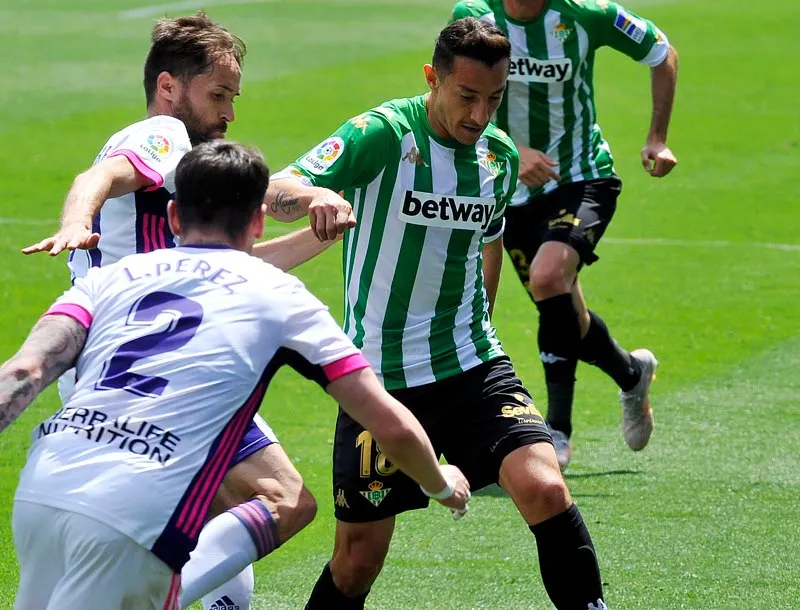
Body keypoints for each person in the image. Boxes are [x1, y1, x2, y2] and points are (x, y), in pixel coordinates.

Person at [1, 140, 470, 610]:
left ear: (173, 218)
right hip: (133, 518)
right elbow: (388, 422)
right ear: (258, 221)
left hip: (43, 492)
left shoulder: (109, 279)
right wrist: (440, 483)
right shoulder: (281, 296)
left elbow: (26, 369)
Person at [269, 17, 609, 610]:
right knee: (357, 561)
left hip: (472, 365)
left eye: (494, 99)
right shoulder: (380, 133)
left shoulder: (498, 158)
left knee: (546, 488)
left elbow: (491, 240)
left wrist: (485, 327)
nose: (480, 115)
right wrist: (316, 195)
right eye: (467, 97)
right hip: (380, 380)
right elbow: (277, 187)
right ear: (434, 77)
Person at [19, 13, 354, 610]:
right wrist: (77, 221)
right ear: (170, 88)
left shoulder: (184, 173)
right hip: (155, 370)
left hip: (126, 364)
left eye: (233, 97)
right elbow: (97, 176)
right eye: (218, 95)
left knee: (224, 512)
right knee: (284, 500)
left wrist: (321, 232)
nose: (228, 113)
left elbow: (242, 267)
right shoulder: (161, 136)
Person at [452, 0, 679, 470]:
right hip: (509, 187)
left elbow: (661, 52)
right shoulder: (473, 14)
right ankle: (631, 373)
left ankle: (557, 429)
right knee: (561, 309)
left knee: (548, 278)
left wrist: (657, 137)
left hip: (582, 176)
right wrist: (514, 149)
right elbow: (456, 91)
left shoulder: (586, 14)